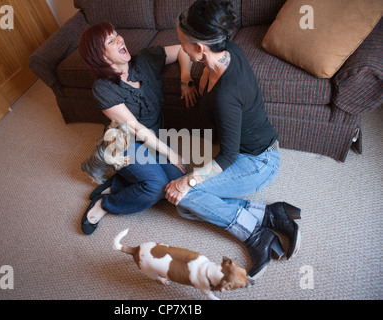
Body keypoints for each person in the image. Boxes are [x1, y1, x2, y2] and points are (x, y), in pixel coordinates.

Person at [164, 0, 301, 279]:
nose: (179, 45)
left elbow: (226, 157)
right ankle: (270, 214)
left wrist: (186, 180)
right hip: (245, 151)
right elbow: (187, 58)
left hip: (258, 162)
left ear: (200, 48)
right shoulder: (226, 50)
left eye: (182, 40)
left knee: (186, 199)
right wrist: (186, 77)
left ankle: (255, 234)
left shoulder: (228, 93)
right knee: (188, 205)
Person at [78, 22, 198, 235]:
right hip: (122, 142)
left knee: (176, 182)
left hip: (153, 140)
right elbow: (134, 127)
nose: (120, 39)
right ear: (101, 56)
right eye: (111, 40)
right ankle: (106, 203)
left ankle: (118, 183)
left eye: (117, 34)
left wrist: (185, 78)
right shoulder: (103, 88)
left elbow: (182, 50)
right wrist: (171, 153)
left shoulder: (144, 60)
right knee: (156, 187)